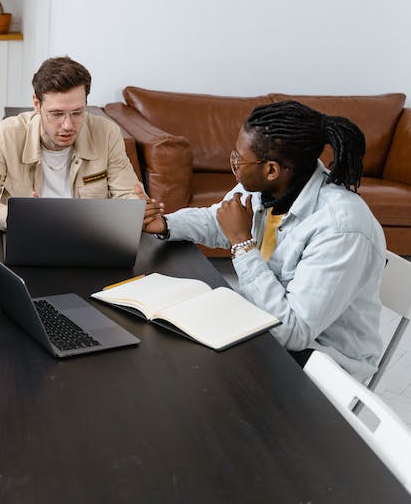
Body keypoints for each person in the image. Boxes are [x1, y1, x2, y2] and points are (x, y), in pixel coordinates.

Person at [141, 100, 385, 379]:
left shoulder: (341, 228)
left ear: (271, 169)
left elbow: (294, 332)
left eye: (239, 160)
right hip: (265, 326)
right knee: (166, 342)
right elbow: (220, 218)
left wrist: (242, 244)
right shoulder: (271, 186)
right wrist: (166, 223)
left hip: (324, 361)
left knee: (189, 372)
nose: (234, 164)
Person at [0, 55, 142, 230]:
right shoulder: (5, 135)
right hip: (30, 234)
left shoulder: (107, 133)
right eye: (56, 114)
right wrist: (16, 217)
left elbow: (128, 194)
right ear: (37, 104)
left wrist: (138, 208)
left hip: (88, 235)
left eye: (77, 113)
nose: (68, 125)